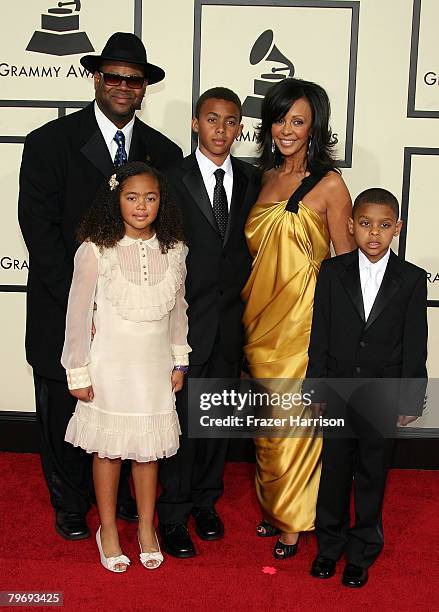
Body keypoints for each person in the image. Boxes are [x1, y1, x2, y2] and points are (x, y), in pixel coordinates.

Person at [18, 32, 183, 541]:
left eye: (133, 80)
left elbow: (167, 234)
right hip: (62, 305)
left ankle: (129, 508)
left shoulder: (164, 152)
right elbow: (38, 230)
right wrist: (83, 302)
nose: (122, 86)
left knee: (131, 407)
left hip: (137, 327)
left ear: (144, 88)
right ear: (96, 78)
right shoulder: (49, 143)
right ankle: (70, 505)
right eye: (113, 76)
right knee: (63, 403)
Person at [241, 78, 355, 559]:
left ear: (314, 128)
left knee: (293, 422)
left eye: (298, 121)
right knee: (266, 423)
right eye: (280, 118)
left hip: (302, 325)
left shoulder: (330, 185)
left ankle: (292, 521)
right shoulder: (259, 178)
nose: (286, 129)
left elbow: (347, 267)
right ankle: (274, 507)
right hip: (256, 320)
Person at [61, 161, 189, 572]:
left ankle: (147, 529)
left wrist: (179, 361)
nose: (141, 206)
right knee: (109, 451)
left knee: (149, 453)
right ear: (116, 199)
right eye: (131, 197)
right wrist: (77, 371)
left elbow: (178, 313)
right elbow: (77, 315)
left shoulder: (175, 250)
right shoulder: (96, 249)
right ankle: (110, 530)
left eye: (150, 198)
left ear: (160, 202)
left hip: (153, 369)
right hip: (109, 368)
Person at [157, 87, 260, 558]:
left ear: (241, 128)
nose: (222, 129)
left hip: (232, 322)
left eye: (231, 121)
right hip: (182, 321)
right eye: (212, 120)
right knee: (179, 423)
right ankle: (173, 514)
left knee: (217, 419)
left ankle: (206, 503)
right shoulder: (170, 178)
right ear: (196, 124)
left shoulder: (253, 180)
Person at [307, 188, 428, 587]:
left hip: (381, 393)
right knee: (335, 472)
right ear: (350, 226)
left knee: (373, 474)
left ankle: (362, 550)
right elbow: (319, 335)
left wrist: (410, 397)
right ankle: (330, 546)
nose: (373, 233)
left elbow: (415, 342)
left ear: (397, 228)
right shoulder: (332, 271)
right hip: (338, 391)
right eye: (364, 224)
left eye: (383, 225)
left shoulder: (410, 279)